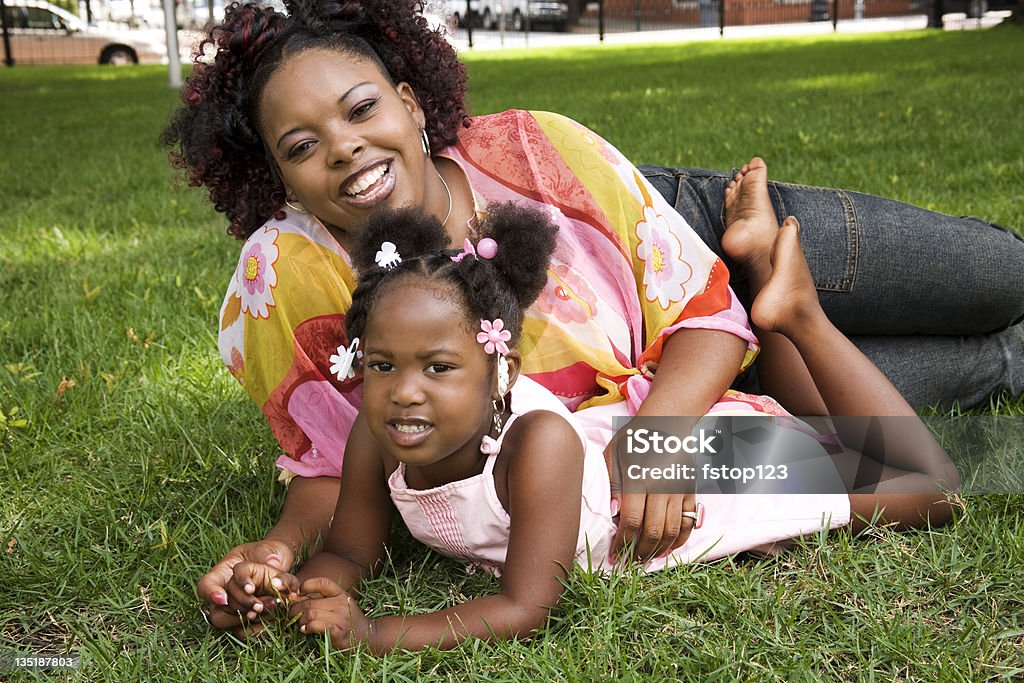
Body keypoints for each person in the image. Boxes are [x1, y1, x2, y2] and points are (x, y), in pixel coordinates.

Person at [160, 0, 1017, 638]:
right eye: (301, 145)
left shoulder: (537, 148)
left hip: (700, 273)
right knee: (993, 368)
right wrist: (276, 553)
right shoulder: (291, 275)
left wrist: (665, 444)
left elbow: (705, 315)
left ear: (413, 105)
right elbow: (335, 453)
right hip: (695, 399)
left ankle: (775, 284)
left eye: (359, 110)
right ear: (275, 174)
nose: (343, 147)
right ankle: (789, 327)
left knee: (1003, 282)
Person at [231, 198, 956, 653]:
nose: (403, 393)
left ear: (499, 370)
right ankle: (780, 302)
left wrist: (372, 633)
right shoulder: (376, 434)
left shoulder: (533, 444)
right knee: (828, 432)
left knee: (930, 486)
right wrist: (297, 586)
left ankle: (798, 312)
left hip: (697, 476)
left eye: (439, 368)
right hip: (622, 452)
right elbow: (352, 550)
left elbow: (524, 606)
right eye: (384, 366)